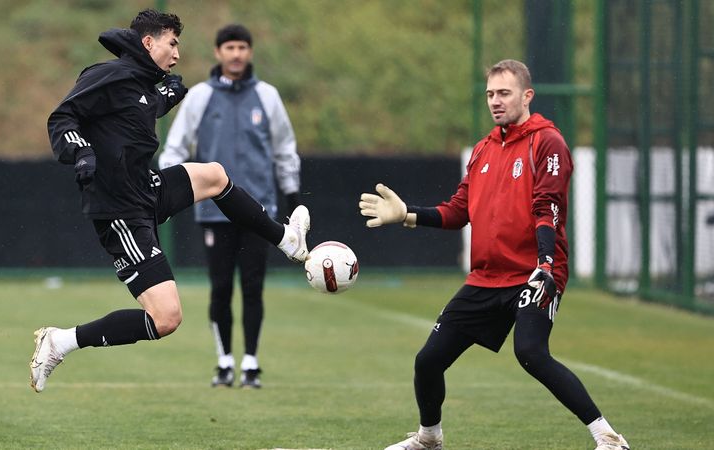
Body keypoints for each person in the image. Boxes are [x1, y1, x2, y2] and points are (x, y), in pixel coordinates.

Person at [31, 9, 310, 394]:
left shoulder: (141, 83)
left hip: (146, 189)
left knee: (214, 175)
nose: (177, 54)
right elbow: (62, 118)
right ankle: (61, 341)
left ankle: (286, 239)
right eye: (172, 44)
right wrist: (81, 152)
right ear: (148, 42)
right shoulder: (108, 75)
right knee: (166, 318)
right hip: (121, 211)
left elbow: (132, 114)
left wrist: (164, 97)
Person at [359, 60, 629, 450]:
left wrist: (545, 264)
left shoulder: (547, 142)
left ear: (527, 95)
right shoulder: (484, 149)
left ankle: (608, 437)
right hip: (487, 277)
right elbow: (458, 212)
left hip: (535, 272)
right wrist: (407, 214)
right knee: (428, 360)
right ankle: (429, 439)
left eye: (504, 93)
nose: (495, 101)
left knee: (531, 352)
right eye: (490, 94)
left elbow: (547, 208)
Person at [159, 24, 300, 389]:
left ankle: (250, 363)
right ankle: (224, 363)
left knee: (253, 287)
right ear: (218, 52)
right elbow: (175, 148)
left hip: (260, 211)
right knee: (220, 287)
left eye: (242, 47)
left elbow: (285, 149)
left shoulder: (267, 96)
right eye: (230, 47)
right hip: (214, 211)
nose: (236, 54)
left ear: (250, 52)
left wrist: (292, 198)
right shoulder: (200, 96)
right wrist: (174, 189)